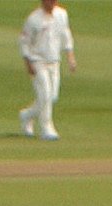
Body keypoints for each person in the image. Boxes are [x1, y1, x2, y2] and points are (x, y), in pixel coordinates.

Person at [18, 2, 77, 142]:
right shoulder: (34, 19)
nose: (51, 3)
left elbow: (66, 35)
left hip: (54, 61)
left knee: (52, 97)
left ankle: (27, 116)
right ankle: (47, 128)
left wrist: (70, 57)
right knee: (45, 94)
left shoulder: (62, 15)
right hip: (37, 61)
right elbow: (24, 41)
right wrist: (27, 62)